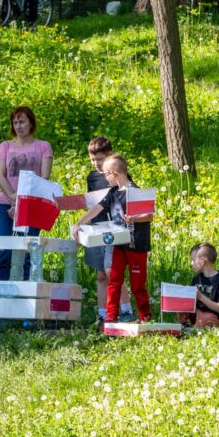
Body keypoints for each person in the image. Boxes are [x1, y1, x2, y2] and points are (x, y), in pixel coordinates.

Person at [72, 154, 153, 324]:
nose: (105, 178)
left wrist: (134, 219)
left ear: (114, 173)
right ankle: (111, 317)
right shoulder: (112, 192)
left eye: (106, 174)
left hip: (137, 246)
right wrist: (78, 223)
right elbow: (97, 208)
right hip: (119, 245)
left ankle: (145, 318)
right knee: (114, 280)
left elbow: (148, 216)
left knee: (138, 285)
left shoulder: (136, 191)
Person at [0, 106, 53, 280]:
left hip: (31, 205)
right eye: (15, 123)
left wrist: (22, 201)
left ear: (31, 123)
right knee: (3, 251)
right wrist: (13, 198)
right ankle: (1, 290)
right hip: (6, 204)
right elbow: (0, 175)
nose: (18, 126)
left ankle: (28, 290)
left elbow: (44, 177)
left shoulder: (43, 146)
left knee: (28, 251)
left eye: (22, 122)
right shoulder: (5, 146)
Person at [85, 136, 133, 323]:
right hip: (96, 228)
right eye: (92, 159)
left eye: (100, 159)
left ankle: (126, 309)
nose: (96, 163)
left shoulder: (118, 175)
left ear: (109, 155)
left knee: (112, 270)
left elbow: (127, 197)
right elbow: (91, 202)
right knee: (100, 274)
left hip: (114, 229)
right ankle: (102, 313)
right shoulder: (91, 177)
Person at [179, 243, 219, 329]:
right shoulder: (196, 279)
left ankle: (194, 329)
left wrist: (201, 297)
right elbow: (191, 304)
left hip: (212, 316)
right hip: (197, 313)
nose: (191, 263)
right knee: (181, 305)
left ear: (202, 261)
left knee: (205, 318)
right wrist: (184, 294)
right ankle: (185, 326)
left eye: (193, 260)